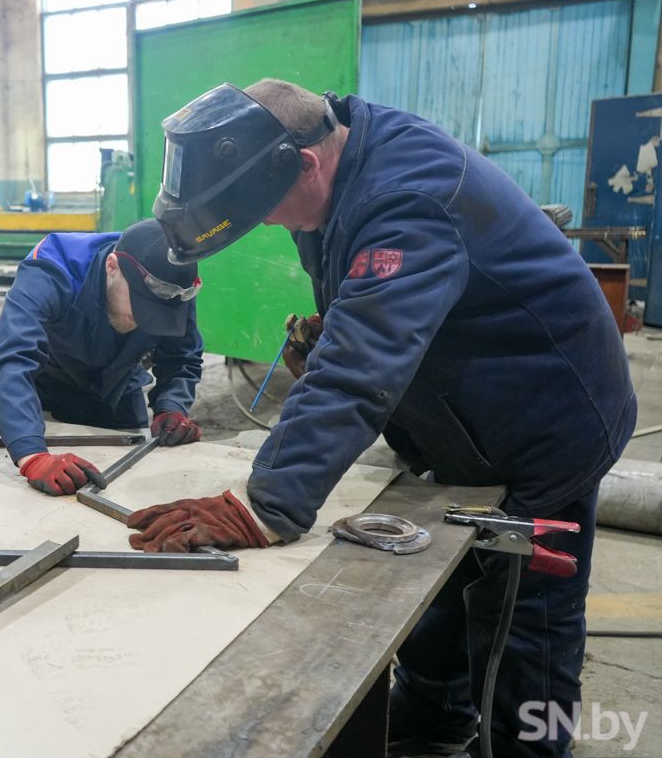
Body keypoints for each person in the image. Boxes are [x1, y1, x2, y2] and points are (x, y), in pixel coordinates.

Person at [134, 78, 636, 758]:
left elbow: (361, 362)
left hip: (546, 423)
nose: (272, 223)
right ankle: (431, 727)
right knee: (443, 587)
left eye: (269, 209)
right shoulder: (341, 158)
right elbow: (369, 310)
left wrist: (266, 505)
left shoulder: (407, 198)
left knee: (523, 626)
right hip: (465, 422)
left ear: (304, 164)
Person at [0, 219, 205, 496]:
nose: (142, 322)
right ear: (112, 267)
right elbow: (11, 360)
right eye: (140, 309)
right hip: (49, 389)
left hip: (119, 388)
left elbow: (181, 356)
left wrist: (171, 406)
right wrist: (31, 454)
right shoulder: (52, 268)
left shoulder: (174, 285)